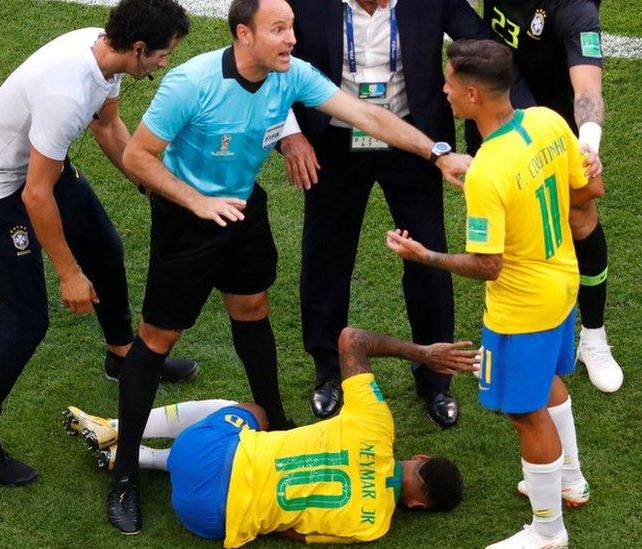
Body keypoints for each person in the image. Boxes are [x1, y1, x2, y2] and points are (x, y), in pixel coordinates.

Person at [109, 0, 472, 533]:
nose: (291, 39)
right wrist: (195, 202)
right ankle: (124, 475)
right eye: (278, 30)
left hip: (242, 212)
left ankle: (276, 422)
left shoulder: (290, 75)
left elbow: (369, 115)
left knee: (253, 310)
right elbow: (138, 156)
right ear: (243, 35)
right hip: (188, 221)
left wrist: (438, 154)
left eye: (292, 28)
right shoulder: (190, 82)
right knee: (157, 339)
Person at [0, 0, 195, 487]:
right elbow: (34, 194)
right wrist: (68, 272)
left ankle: (122, 356)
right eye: (164, 54)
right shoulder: (66, 91)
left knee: (105, 247)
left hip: (39, 172)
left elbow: (107, 126)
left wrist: (150, 186)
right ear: (139, 48)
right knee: (26, 321)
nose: (166, 63)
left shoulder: (105, 56)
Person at [386, 39, 601, 547]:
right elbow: (588, 190)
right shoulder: (547, 121)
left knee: (525, 414)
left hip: (520, 308)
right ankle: (569, 479)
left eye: (450, 84)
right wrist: (495, 188)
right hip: (561, 287)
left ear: (473, 95)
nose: (444, 89)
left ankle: (548, 532)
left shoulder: (488, 167)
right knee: (547, 381)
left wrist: (425, 257)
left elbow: (488, 265)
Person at [277, 0, 501, 427]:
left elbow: (481, 47)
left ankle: (436, 376)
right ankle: (329, 369)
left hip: (412, 138)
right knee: (326, 257)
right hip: (334, 141)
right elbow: (271, 60)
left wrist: (511, 120)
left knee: (428, 257)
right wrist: (291, 135)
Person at [64, 327, 478, 546]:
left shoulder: (375, 424)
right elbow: (294, 533)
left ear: (420, 458)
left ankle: (119, 429)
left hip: (205, 456)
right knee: (230, 473)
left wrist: (423, 354)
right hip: (209, 519)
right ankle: (138, 459)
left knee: (255, 414)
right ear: (418, 505)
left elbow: (352, 340)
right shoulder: (372, 528)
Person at [469, 0, 623, 393]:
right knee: (507, 225)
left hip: (554, 121)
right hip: (498, 112)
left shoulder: (576, 9)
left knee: (580, 219)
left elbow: (588, 88)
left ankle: (593, 337)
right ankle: (508, 335)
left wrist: (587, 144)